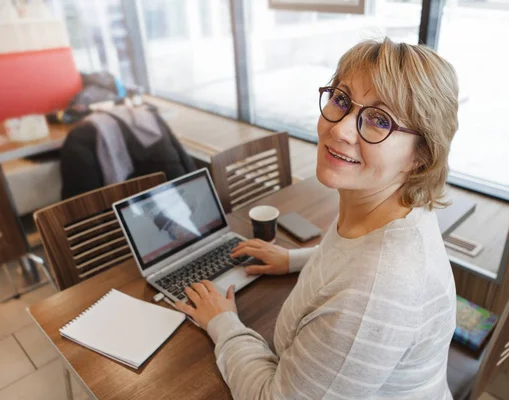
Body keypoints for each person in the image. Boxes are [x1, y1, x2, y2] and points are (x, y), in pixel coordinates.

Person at [175, 38, 459, 399]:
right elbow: (356, 256)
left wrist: (223, 323)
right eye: (341, 100)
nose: (339, 129)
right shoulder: (403, 206)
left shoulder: (376, 292)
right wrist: (292, 259)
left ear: (422, 154)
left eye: (379, 120)